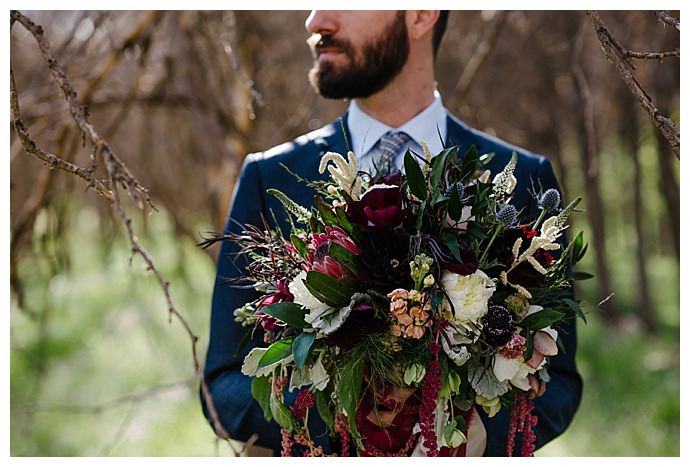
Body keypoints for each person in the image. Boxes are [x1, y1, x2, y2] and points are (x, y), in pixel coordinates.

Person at [201, 10, 582, 456]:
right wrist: (338, 421)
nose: (315, 19)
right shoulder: (271, 181)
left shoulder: (522, 180)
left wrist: (481, 436)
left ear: (420, 14)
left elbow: (560, 386)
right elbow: (222, 385)